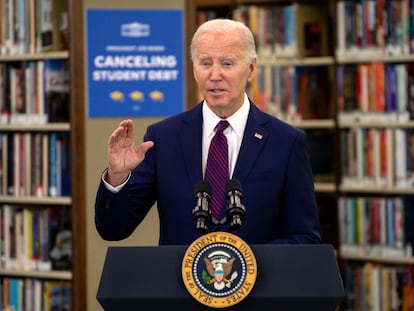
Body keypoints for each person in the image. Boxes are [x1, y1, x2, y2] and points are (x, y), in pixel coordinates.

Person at [94, 18, 321, 245]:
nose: (214, 75)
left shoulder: (286, 143)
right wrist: (118, 177)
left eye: (227, 64)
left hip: (257, 279)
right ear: (194, 69)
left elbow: (306, 237)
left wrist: (247, 261)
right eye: (205, 63)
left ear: (251, 68)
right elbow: (113, 229)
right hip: (179, 280)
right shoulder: (163, 138)